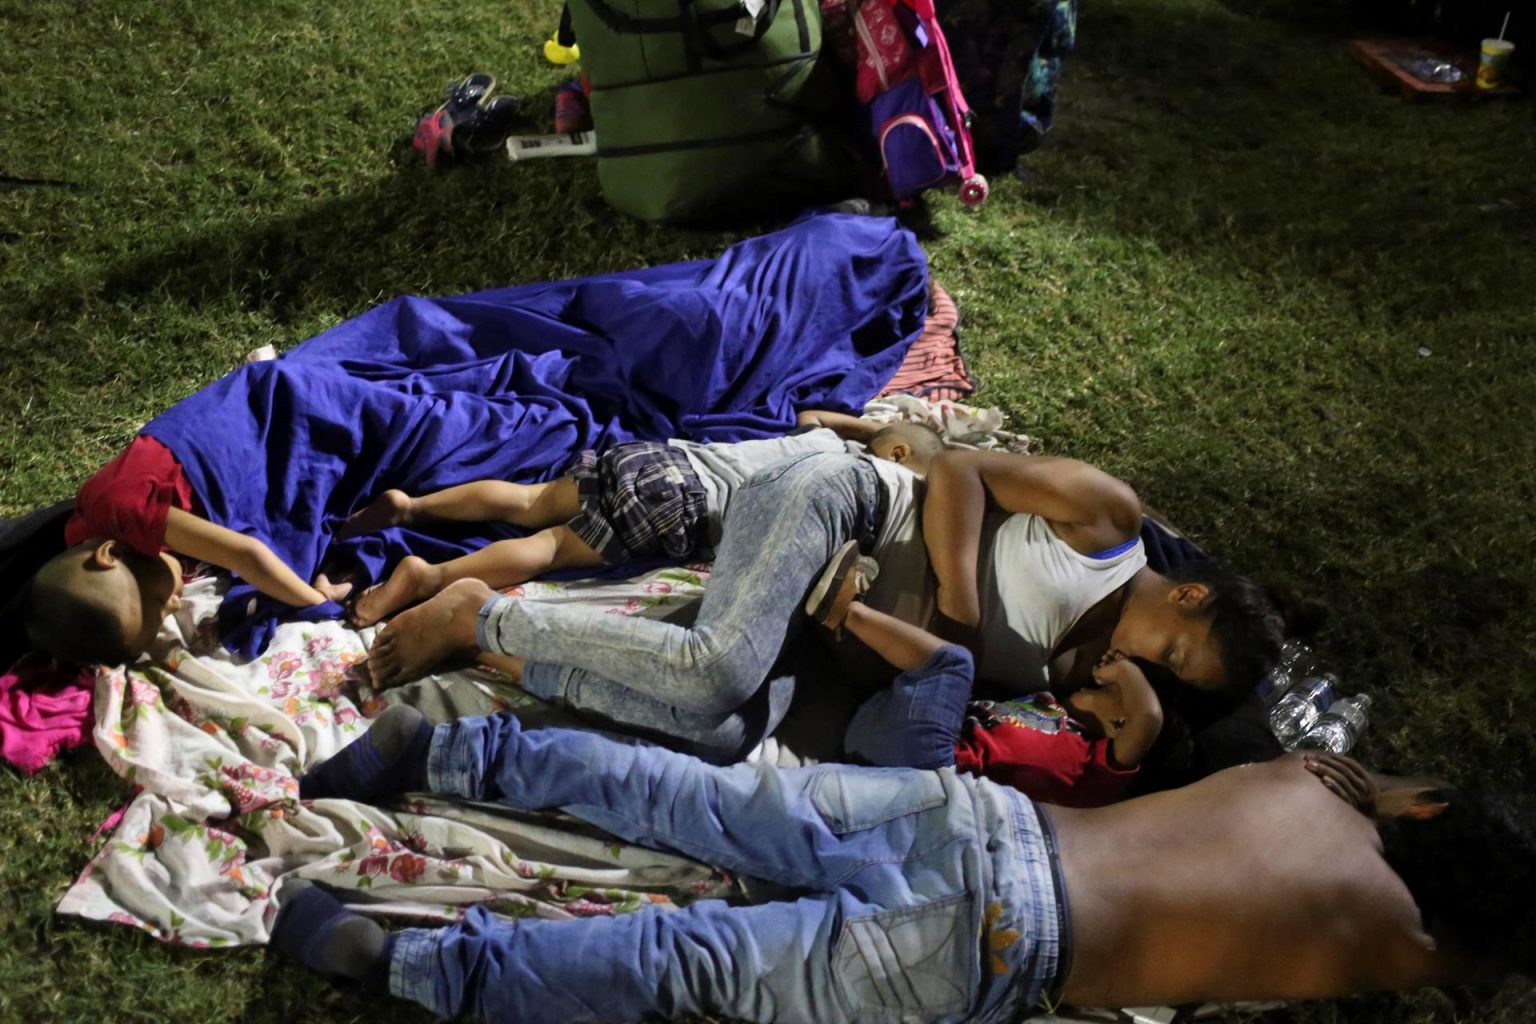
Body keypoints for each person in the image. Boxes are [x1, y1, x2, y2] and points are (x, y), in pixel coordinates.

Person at [270, 704, 1531, 1023]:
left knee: (696, 798)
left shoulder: (1312, 779)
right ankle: (410, 963)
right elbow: (1482, 945)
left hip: (979, 822)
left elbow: (1354, 774)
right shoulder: (1405, 942)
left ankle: (450, 746)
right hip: (991, 951)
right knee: (690, 960)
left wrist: (1394, 793)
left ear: (1426, 812)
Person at [362, 431, 1306, 758]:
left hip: (821, 619)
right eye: (1175, 649)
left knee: (719, 732)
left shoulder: (1080, 675)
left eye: (1174, 677)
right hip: (840, 503)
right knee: (713, 672)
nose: (1153, 663)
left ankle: (500, 649)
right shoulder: (1108, 526)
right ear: (1185, 599)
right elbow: (959, 469)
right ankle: (475, 609)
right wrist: (958, 608)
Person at [336, 412, 942, 627]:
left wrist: (872, 428)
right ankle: (430, 577)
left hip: (660, 457)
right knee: (550, 549)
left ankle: (413, 505)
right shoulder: (856, 488)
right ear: (895, 463)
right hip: (679, 505)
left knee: (529, 500)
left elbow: (812, 412)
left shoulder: (824, 442)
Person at [811, 558, 1163, 806]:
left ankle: (844, 609)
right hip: (879, 737)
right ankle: (833, 625)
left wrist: (1122, 671)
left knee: (954, 662)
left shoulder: (1092, 774)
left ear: (1119, 724)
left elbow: (1148, 719)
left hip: (930, 777)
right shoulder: (1048, 705)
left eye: (1113, 693)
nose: (1097, 681)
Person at [24, 435, 351, 666]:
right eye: (167, 613)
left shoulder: (118, 510)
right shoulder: (89, 539)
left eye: (156, 602)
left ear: (110, 556)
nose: (176, 601)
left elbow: (249, 556)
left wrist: (317, 603)